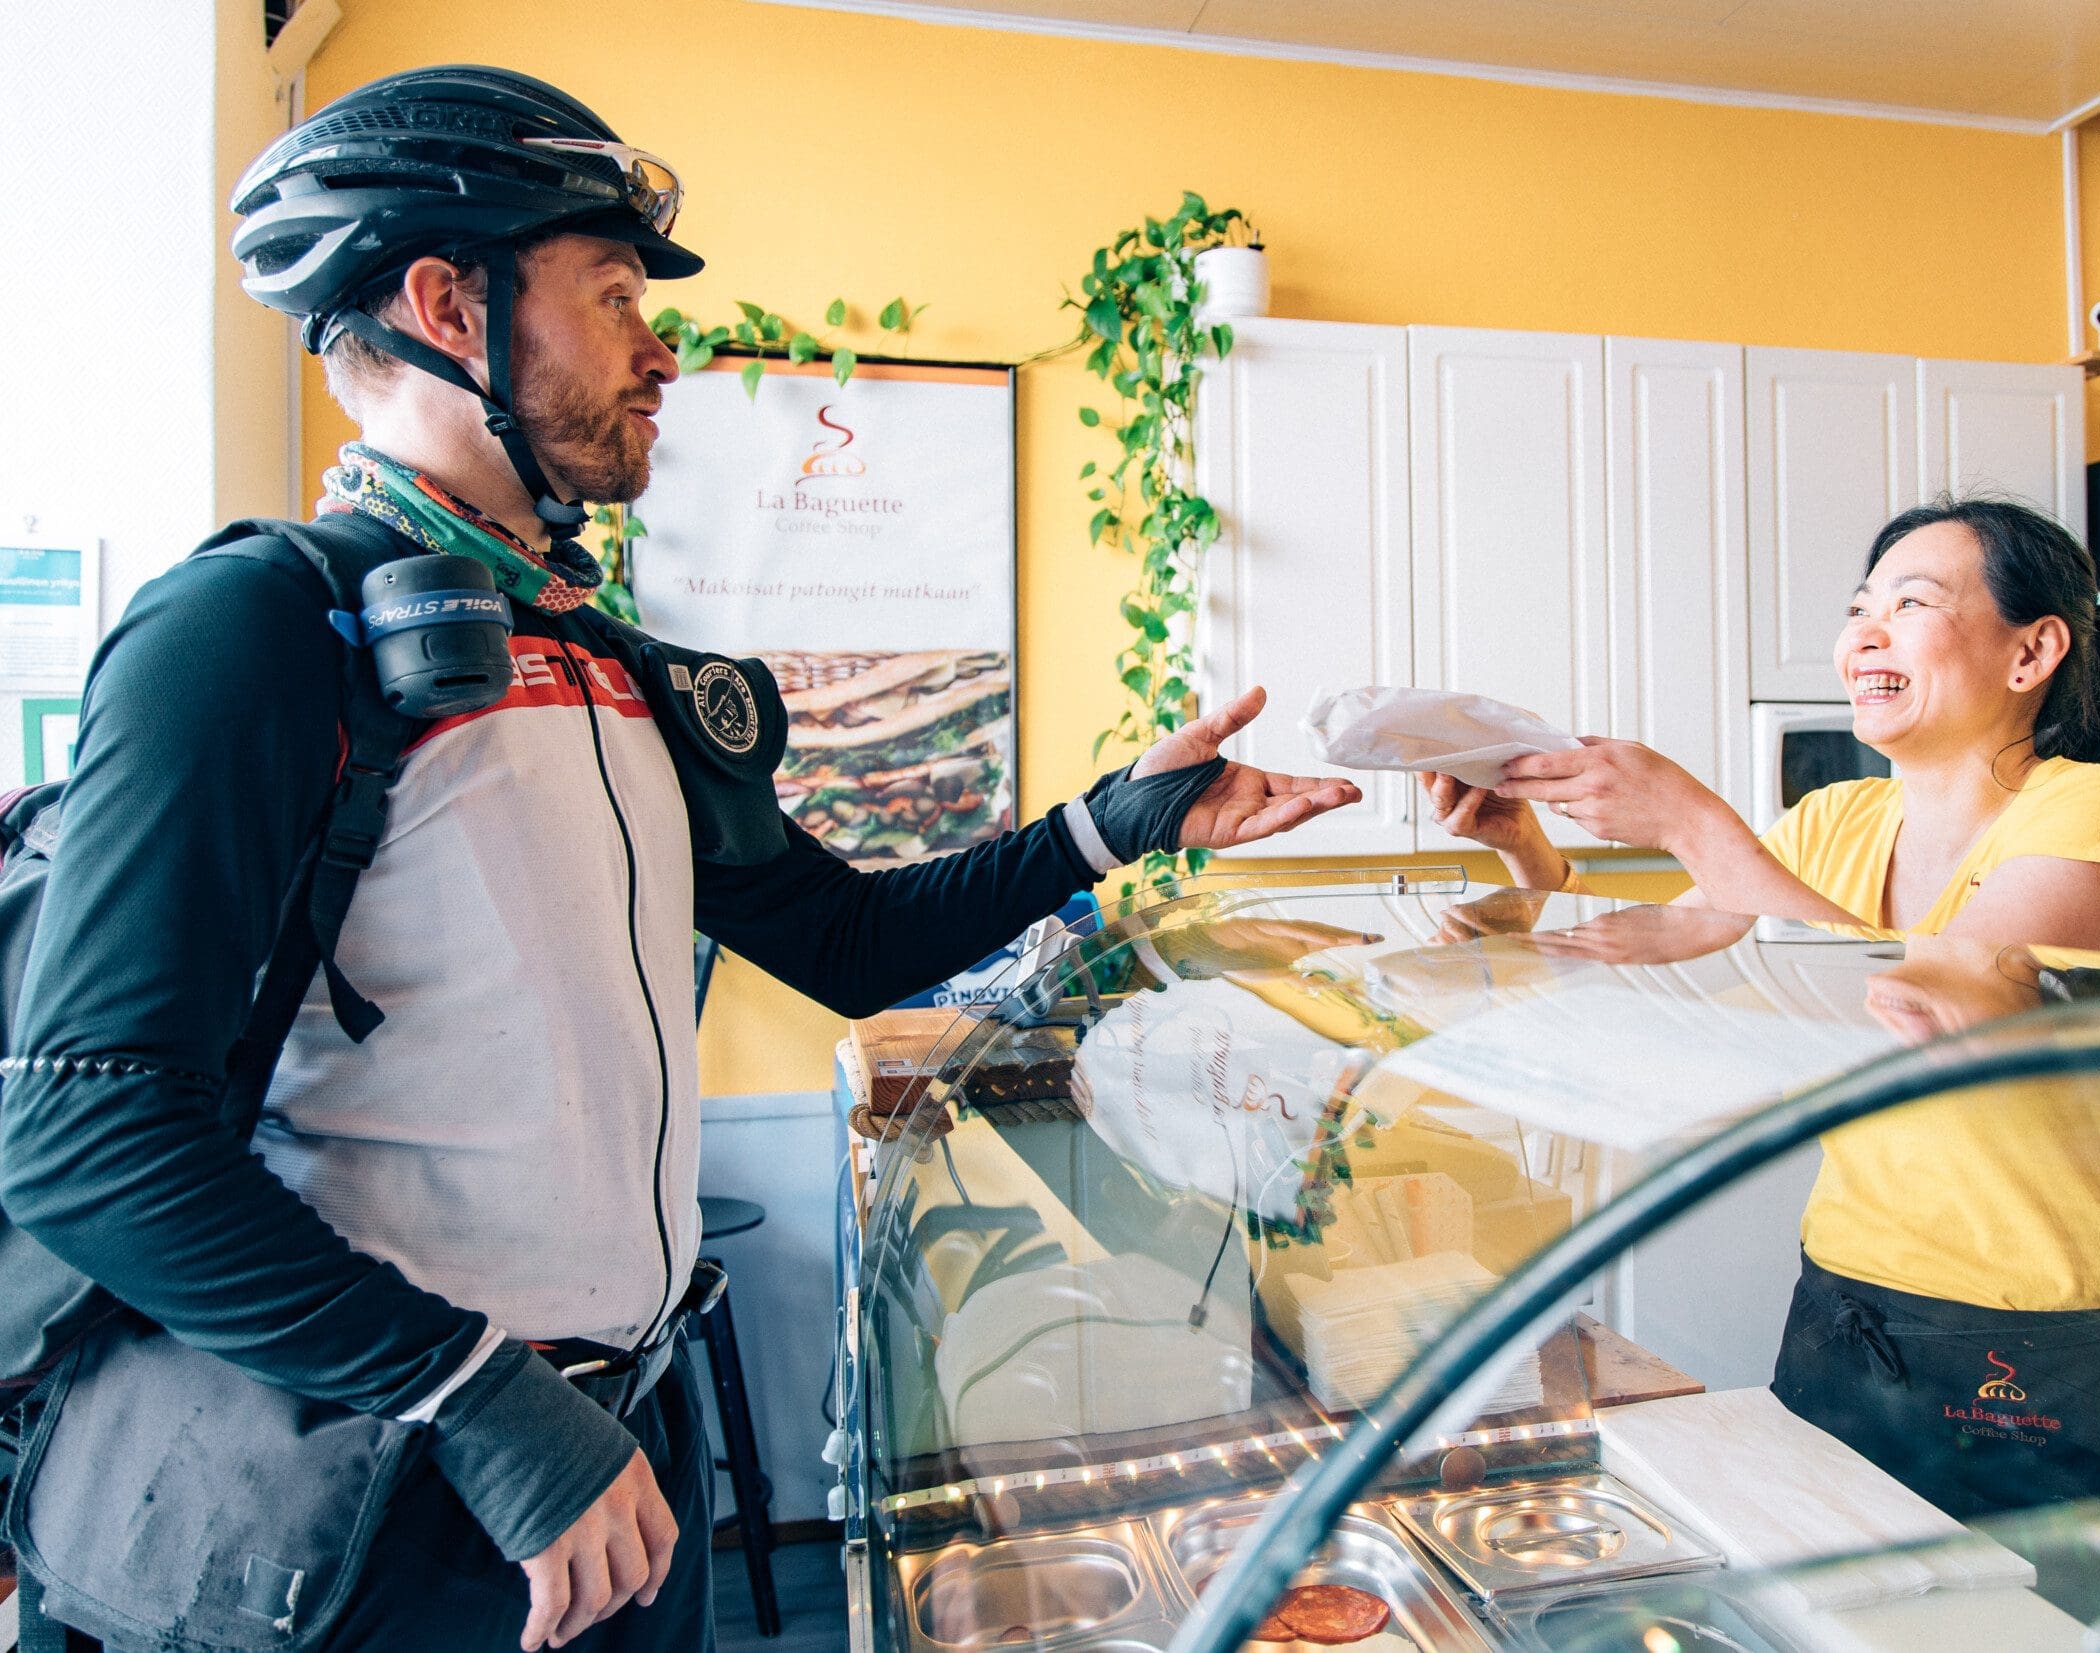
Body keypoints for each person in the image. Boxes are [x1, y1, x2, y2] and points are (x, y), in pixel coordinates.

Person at [0, 65, 1355, 1653]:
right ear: (449, 304)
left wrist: (1113, 821)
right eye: (617, 296)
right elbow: (90, 1141)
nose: (664, 353)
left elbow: (844, 944)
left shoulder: (608, 664)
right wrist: (480, 1400)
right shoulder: (248, 631)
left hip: (620, 1457)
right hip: (385, 1486)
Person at [1424, 498, 2100, 1518]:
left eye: (1910, 603)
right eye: (1856, 608)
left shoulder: (2092, 810)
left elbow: (1930, 1002)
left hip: (2037, 1342)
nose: (1863, 633)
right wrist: (1524, 867)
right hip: (1841, 1307)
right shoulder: (1835, 820)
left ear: (2032, 652)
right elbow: (1667, 952)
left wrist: (1697, 822)